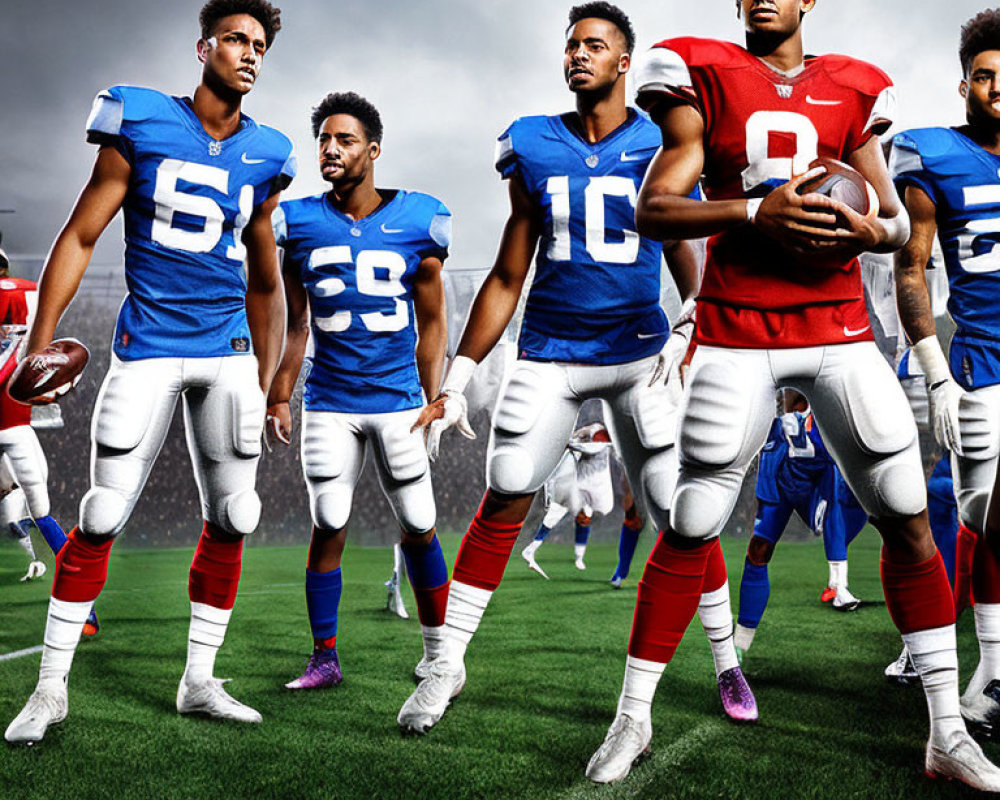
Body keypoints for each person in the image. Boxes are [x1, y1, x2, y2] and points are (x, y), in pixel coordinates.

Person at [586, 0, 1000, 789]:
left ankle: (947, 731)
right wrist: (751, 209)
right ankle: (632, 718)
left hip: (840, 329)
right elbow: (653, 208)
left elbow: (887, 224)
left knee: (909, 515)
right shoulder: (697, 71)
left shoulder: (855, 87)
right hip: (738, 327)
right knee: (693, 520)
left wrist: (863, 230)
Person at [397, 2, 755, 736]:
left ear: (626, 63)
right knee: (505, 491)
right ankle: (448, 662)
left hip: (640, 353)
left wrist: (696, 309)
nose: (578, 56)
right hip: (554, 352)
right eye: (571, 46)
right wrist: (460, 376)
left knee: (681, 515)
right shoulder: (531, 143)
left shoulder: (661, 137)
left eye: (595, 45)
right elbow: (507, 271)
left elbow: (682, 242)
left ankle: (725, 659)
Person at [5, 0, 295, 744]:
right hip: (151, 343)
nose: (249, 53)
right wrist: (40, 340)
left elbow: (267, 283)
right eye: (235, 38)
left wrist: (268, 384)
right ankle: (50, 691)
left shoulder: (268, 153)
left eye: (259, 43)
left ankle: (199, 681)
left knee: (236, 516)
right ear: (203, 48)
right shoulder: (140, 119)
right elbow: (80, 233)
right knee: (101, 515)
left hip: (228, 351)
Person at [267, 91, 451, 689]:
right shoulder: (297, 224)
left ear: (373, 150)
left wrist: (435, 396)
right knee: (329, 521)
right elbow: (297, 324)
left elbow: (434, 322)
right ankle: (324, 657)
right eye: (323, 138)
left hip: (398, 400)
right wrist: (279, 393)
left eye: (344, 139)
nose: (331, 148)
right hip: (328, 402)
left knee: (419, 523)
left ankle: (438, 652)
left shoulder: (419, 219)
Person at [890, 8, 1000, 741]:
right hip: (981, 360)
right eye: (985, 76)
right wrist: (934, 373)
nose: (997, 89)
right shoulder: (933, 155)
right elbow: (912, 267)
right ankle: (991, 671)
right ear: (964, 84)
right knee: (983, 520)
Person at [735, 391, 868, 661]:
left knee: (851, 506)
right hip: (780, 477)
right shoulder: (779, 405)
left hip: (813, 483)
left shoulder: (833, 414)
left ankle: (838, 585)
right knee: (758, 550)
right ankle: (740, 642)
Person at [521, 422, 616, 575]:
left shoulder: (602, 445)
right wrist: (569, 439)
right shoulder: (593, 433)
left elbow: (589, 447)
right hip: (575, 487)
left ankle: (579, 557)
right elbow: (579, 436)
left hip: (591, 490)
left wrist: (567, 443)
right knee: (555, 516)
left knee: (584, 517)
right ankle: (530, 550)